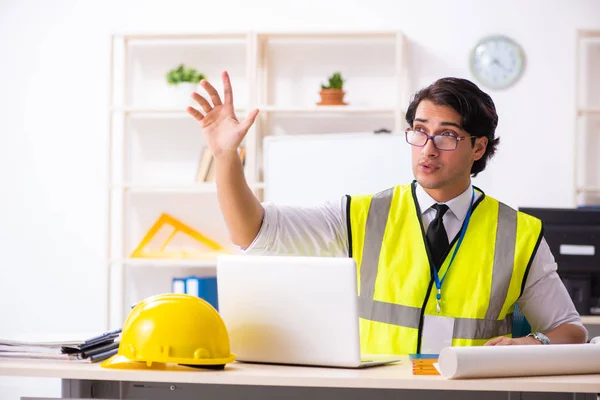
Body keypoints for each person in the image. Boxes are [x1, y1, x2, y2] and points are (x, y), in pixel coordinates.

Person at [187, 71, 588, 355]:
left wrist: (532, 343)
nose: (428, 147)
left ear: (478, 148)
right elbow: (252, 233)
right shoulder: (358, 215)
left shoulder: (519, 233)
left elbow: (570, 331)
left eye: (447, 135)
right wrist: (224, 157)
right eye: (419, 130)